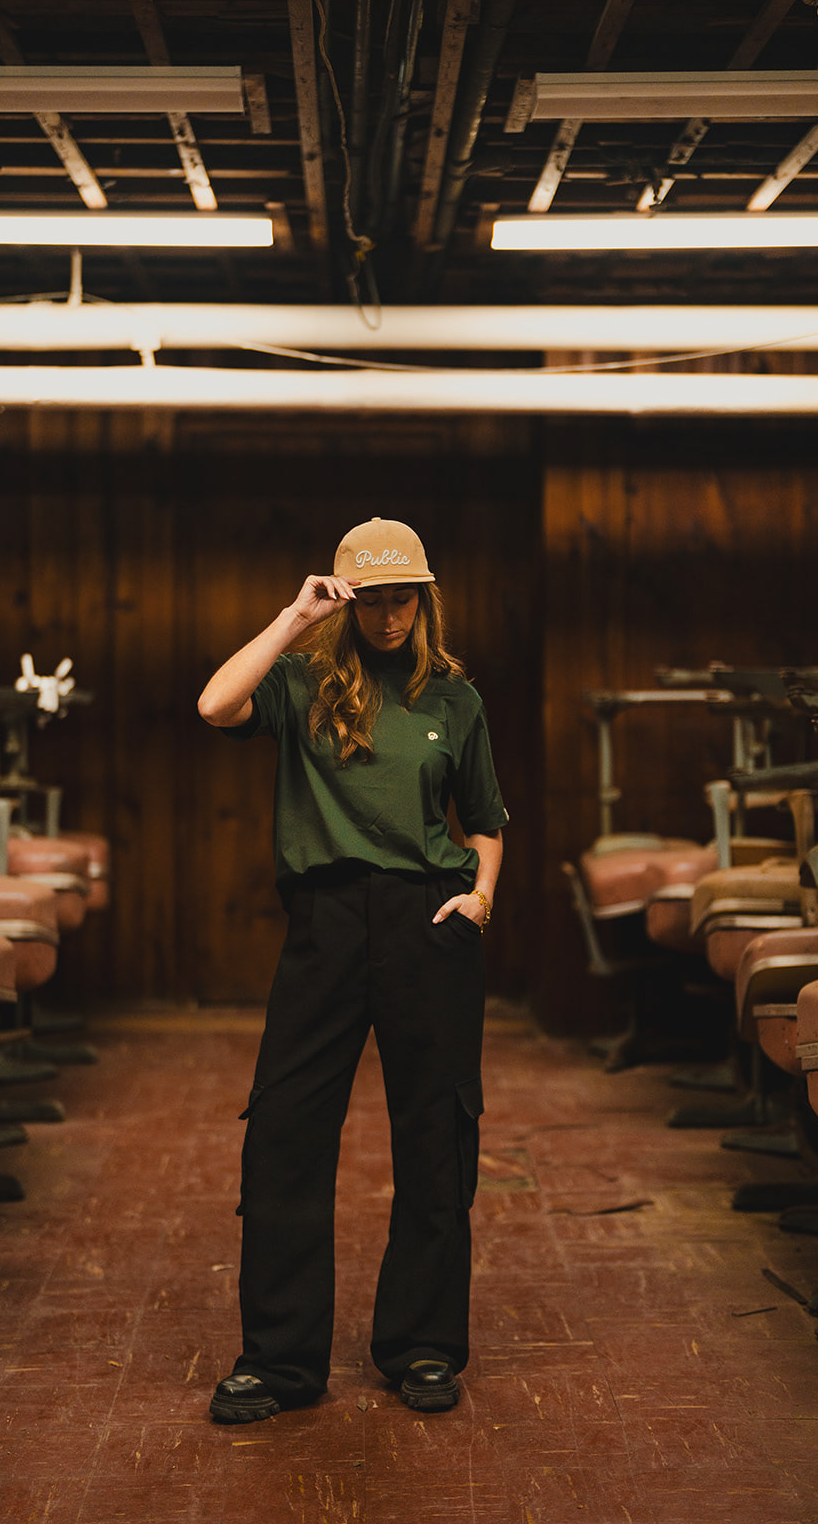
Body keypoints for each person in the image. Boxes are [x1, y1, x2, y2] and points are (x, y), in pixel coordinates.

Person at [197, 516, 507, 1422]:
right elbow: (215, 705)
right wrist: (293, 618)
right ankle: (279, 1360)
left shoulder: (454, 699)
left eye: (402, 599)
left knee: (435, 1137)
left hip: (429, 922)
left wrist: (480, 897)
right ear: (346, 601)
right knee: (285, 1134)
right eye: (371, 601)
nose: (388, 616)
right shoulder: (302, 682)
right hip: (326, 923)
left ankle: (421, 1347)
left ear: (423, 600)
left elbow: (485, 822)